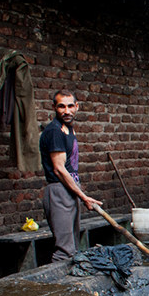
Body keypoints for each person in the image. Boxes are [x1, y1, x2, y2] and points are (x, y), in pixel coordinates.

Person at [39, 90, 102, 261]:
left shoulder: (68, 130)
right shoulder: (55, 132)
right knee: (64, 252)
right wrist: (84, 197)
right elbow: (59, 169)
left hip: (70, 191)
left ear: (77, 107)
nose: (66, 111)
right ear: (54, 107)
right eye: (61, 106)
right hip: (59, 191)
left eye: (70, 106)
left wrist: (78, 194)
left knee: (72, 247)